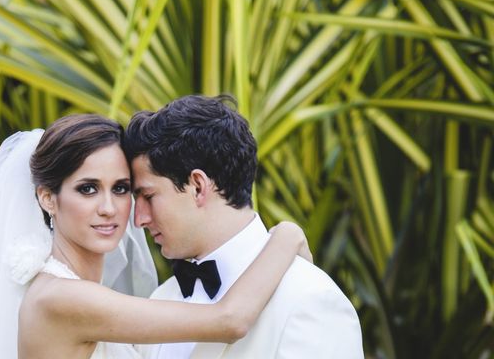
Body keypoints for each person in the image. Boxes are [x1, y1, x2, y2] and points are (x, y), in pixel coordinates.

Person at [0, 114, 312, 359]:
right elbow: (229, 320)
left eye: (123, 188)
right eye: (87, 189)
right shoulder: (60, 298)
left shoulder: (92, 296)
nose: (109, 208)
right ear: (47, 198)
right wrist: (289, 234)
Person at [125, 95, 364, 359]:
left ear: (198, 186)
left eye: (148, 196)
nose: (139, 219)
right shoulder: (161, 297)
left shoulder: (310, 299)